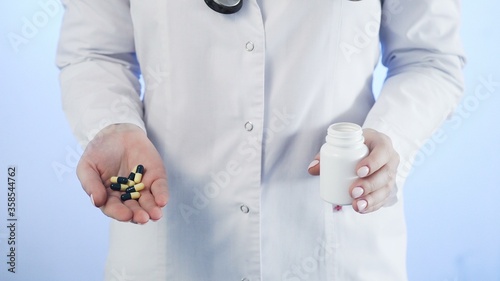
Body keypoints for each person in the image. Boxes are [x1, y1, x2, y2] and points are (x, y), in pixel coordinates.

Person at [56, 0, 465, 280]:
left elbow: (429, 58)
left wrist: (391, 137)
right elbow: (94, 51)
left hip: (336, 242)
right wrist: (111, 123)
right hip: (166, 228)